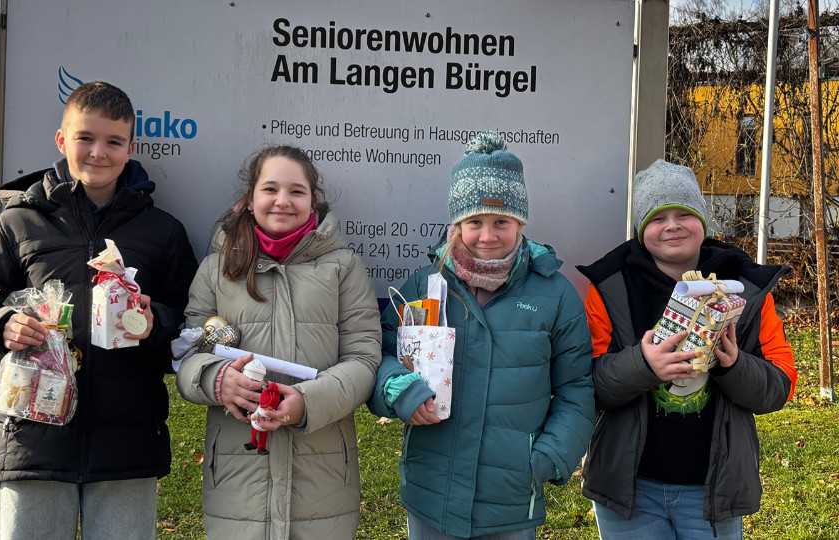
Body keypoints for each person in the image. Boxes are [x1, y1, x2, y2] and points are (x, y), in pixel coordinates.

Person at [0, 81, 199, 540]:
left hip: (127, 443)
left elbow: (191, 323)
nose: (98, 152)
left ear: (130, 149)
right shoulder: (16, 222)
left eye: (113, 141)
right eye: (85, 138)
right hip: (31, 440)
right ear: (62, 140)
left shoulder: (163, 231)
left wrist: (154, 322)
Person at [367, 131, 596, 540]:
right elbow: (379, 355)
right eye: (475, 221)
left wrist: (548, 457)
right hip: (430, 491)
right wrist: (397, 389)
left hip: (511, 499)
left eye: (501, 222)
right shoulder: (425, 285)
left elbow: (577, 388)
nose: (487, 236)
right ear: (458, 223)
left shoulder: (556, 294)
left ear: (520, 223)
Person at [577, 159, 798, 540]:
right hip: (629, 490)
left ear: (702, 222)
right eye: (657, 217)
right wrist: (644, 365)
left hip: (713, 493)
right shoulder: (611, 287)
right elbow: (584, 384)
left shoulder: (744, 288)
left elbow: (779, 387)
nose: (673, 226)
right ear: (642, 228)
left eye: (684, 214)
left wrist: (733, 365)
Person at [174, 145, 381, 539]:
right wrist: (215, 380)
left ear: (313, 201)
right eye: (270, 189)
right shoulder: (217, 268)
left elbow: (365, 358)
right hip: (237, 480)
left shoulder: (343, 268)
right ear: (249, 200)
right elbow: (187, 353)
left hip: (322, 482)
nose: (282, 201)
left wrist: (309, 402)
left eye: (297, 191)